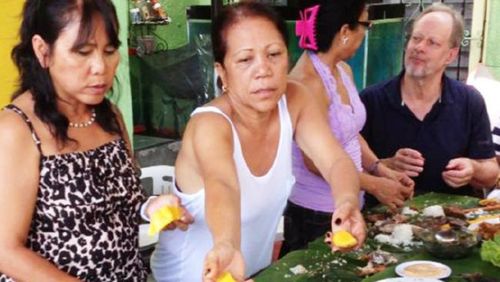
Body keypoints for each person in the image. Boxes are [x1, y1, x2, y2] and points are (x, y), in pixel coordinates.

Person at [148, 2, 366, 282]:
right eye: (245, 60)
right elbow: (223, 185)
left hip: (249, 271)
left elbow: (334, 159)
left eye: (274, 54)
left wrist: (347, 201)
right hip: (191, 275)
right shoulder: (209, 124)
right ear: (222, 72)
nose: (263, 70)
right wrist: (226, 244)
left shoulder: (295, 99)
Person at [0, 0, 191, 281]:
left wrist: (150, 207)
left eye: (110, 51)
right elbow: (6, 251)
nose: (100, 67)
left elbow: (123, 203)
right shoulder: (17, 129)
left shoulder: (109, 116)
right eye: (83, 52)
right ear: (43, 51)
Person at [278, 0, 414, 256]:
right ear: (344, 32)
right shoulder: (307, 83)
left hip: (349, 200)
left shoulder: (343, 70)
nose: (366, 32)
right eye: (366, 24)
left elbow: (350, 132)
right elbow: (314, 161)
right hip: (316, 213)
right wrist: (374, 185)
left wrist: (380, 169)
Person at [360, 3, 499, 200]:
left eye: (432, 42)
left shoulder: (469, 101)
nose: (419, 47)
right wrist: (384, 165)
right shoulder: (370, 100)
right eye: (416, 38)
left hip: (451, 224)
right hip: (384, 220)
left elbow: (491, 172)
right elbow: (343, 169)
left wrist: (473, 169)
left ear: (451, 55)